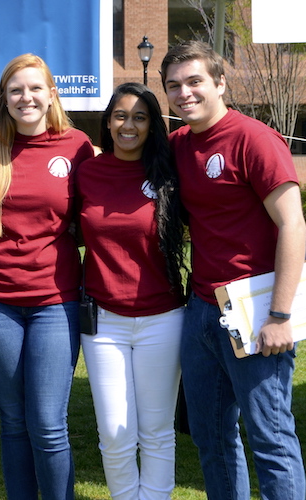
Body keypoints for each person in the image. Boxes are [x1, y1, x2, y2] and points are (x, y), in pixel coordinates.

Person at [161, 40, 306, 500]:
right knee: (210, 437)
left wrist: (279, 316)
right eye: (174, 86)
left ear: (220, 82)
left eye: (195, 81)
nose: (184, 93)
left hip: (256, 308)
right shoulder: (179, 144)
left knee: (271, 438)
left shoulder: (254, 139)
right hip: (202, 308)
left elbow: (293, 223)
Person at [0, 53, 94, 500]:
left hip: (54, 301)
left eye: (35, 88)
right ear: (4, 97)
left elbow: (92, 215)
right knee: (13, 420)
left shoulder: (76, 144)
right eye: (16, 89)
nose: (26, 97)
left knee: (46, 421)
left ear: (51, 94)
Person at [75, 82, 187, 500]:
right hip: (103, 322)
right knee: (114, 432)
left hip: (163, 318)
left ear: (152, 125)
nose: (129, 125)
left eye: (140, 117)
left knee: (156, 431)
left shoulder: (168, 171)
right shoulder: (87, 171)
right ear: (107, 122)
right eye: (120, 115)